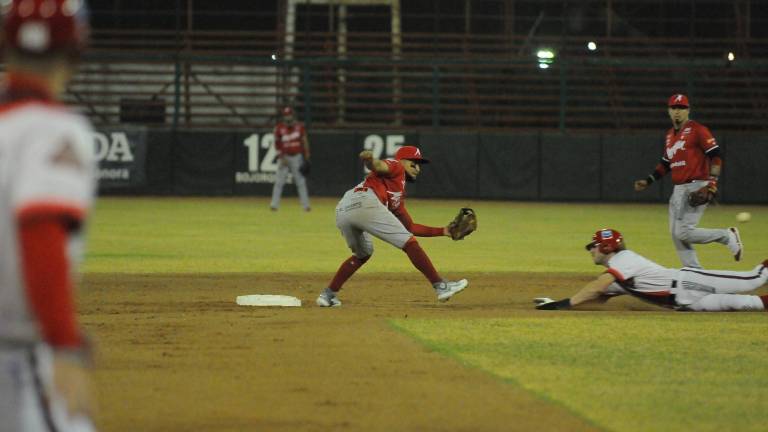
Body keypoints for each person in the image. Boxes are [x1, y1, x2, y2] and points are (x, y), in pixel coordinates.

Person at [0, 1, 98, 431]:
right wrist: (63, 342)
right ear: (76, 49)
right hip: (17, 356)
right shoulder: (54, 129)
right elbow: (40, 233)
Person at [316, 146, 468, 307]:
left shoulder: (397, 196)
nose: (418, 168)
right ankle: (441, 286)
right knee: (409, 243)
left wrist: (444, 231)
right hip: (365, 201)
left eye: (419, 164)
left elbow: (409, 227)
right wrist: (370, 161)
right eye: (414, 163)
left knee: (363, 254)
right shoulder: (396, 166)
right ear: (401, 160)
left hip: (343, 210)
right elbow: (379, 166)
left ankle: (328, 295)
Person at [535, 228, 768, 312]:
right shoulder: (618, 273)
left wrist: (565, 303)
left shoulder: (624, 259)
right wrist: (559, 304)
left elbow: (598, 285)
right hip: (684, 303)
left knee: (753, 278)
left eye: (593, 246)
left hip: (688, 282)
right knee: (741, 304)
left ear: (607, 246)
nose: (591, 251)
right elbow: (596, 297)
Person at [634, 94, 742, 269]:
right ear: (669, 111)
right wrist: (649, 180)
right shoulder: (669, 135)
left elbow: (716, 156)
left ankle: (727, 236)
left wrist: (712, 183)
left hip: (697, 185)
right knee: (676, 234)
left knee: (683, 232)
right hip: (678, 189)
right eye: (674, 108)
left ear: (688, 110)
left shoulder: (697, 129)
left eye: (682, 108)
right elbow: (666, 163)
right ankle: (693, 271)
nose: (678, 111)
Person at [270, 106, 311, 212]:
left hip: (297, 157)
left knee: (300, 182)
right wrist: (280, 156)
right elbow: (276, 143)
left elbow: (304, 140)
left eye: (289, 114)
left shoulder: (299, 127)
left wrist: (307, 156)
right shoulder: (279, 128)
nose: (288, 117)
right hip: (284, 158)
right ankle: (274, 205)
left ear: (293, 115)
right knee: (279, 182)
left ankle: (305, 206)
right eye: (286, 115)